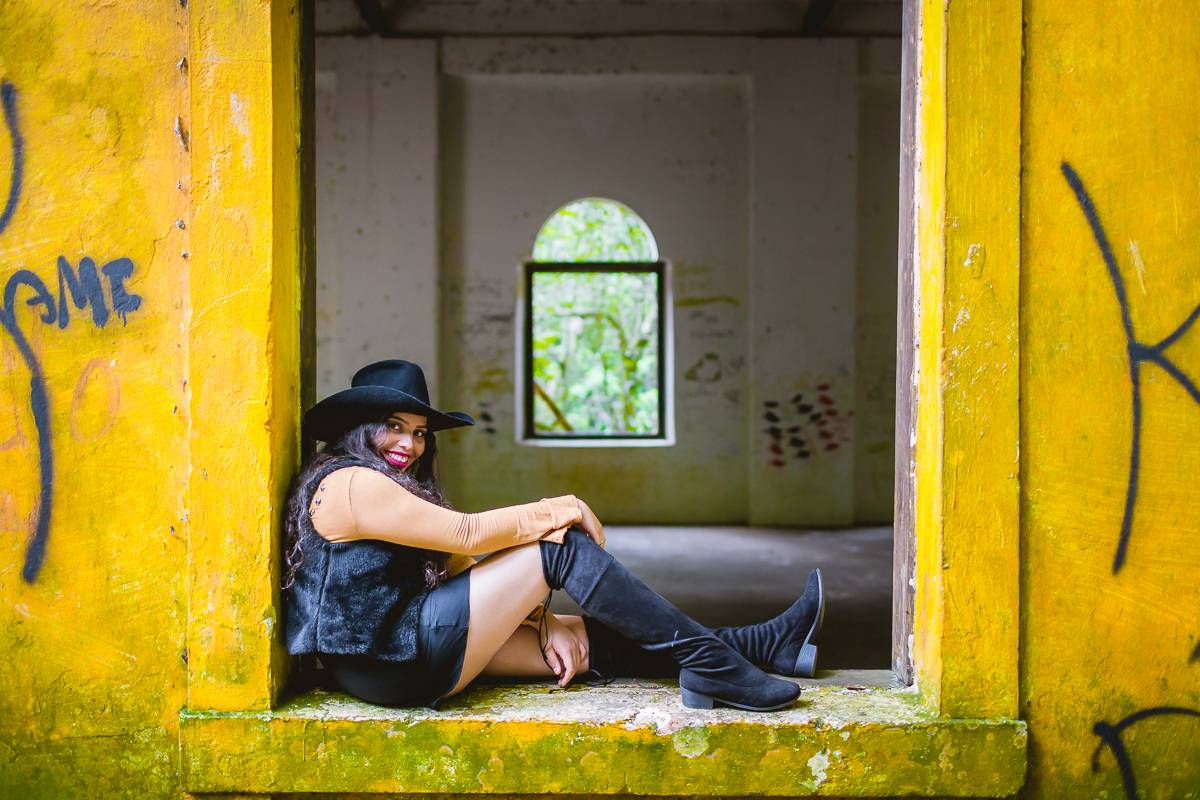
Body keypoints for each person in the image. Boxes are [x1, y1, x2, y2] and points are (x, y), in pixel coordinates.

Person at [284, 359, 825, 712]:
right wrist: (558, 508)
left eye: (420, 432)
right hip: (391, 662)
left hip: (396, 651)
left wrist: (542, 621)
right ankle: (716, 668)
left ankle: (761, 648)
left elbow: (454, 565)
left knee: (588, 641)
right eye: (394, 426)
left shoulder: (381, 483)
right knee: (557, 548)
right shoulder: (352, 483)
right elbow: (467, 535)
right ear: (360, 427)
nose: (410, 444)